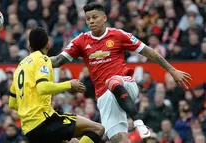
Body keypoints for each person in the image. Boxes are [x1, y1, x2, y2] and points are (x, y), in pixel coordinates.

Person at [50, 2, 192, 143]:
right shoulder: (80, 41)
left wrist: (172, 70)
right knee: (119, 140)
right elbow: (57, 61)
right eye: (88, 19)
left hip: (125, 84)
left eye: (95, 17)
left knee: (111, 81)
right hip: (104, 98)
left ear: (104, 18)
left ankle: (137, 121)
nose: (91, 21)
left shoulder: (118, 35)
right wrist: (34, 60)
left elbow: (149, 52)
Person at [8, 27, 105, 143]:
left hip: (29, 130)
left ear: (29, 47)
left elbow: (12, 104)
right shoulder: (42, 59)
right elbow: (42, 87)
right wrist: (69, 84)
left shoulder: (19, 67)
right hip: (44, 121)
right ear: (48, 46)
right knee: (98, 128)